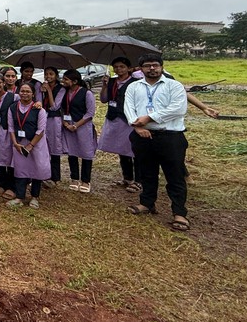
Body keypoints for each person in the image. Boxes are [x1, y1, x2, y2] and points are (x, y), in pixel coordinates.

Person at [125, 54, 190, 231]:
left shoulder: (174, 86)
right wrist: (136, 126)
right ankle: (147, 203)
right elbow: (128, 108)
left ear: (161, 67)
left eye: (155, 65)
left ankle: (179, 213)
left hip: (170, 136)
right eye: (147, 66)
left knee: (174, 175)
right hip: (143, 136)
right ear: (141, 69)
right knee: (147, 172)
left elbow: (178, 109)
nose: (151, 68)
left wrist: (149, 117)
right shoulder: (134, 87)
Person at [98, 57, 139, 191]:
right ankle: (127, 178)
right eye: (116, 67)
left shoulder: (136, 83)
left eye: (122, 67)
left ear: (128, 68)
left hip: (129, 119)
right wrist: (104, 85)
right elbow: (104, 99)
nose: (118, 69)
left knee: (133, 150)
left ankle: (138, 181)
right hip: (114, 117)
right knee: (122, 149)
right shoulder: (111, 81)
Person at [7, 82, 50, 208]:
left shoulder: (39, 110)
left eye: (28, 91)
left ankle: (35, 197)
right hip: (19, 143)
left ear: (33, 94)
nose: (24, 94)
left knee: (37, 169)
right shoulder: (13, 107)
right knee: (20, 169)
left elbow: (41, 130)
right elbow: (10, 127)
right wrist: (15, 143)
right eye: (22, 91)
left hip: (36, 144)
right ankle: (20, 197)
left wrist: (31, 146)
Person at [59, 69, 96, 193]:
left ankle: (86, 180)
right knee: (72, 152)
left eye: (66, 79)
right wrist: (64, 123)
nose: (63, 81)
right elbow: (61, 109)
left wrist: (76, 125)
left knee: (86, 153)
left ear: (75, 81)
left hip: (83, 126)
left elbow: (90, 113)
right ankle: (74, 178)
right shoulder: (64, 92)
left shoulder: (86, 93)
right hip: (68, 126)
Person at [41, 66, 64, 188]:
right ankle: (44, 173)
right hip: (43, 117)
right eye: (46, 74)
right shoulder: (42, 87)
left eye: (51, 74)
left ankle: (55, 176)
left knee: (54, 146)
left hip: (54, 119)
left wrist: (49, 91)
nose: (48, 76)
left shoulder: (61, 89)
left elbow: (54, 106)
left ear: (56, 75)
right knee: (44, 146)